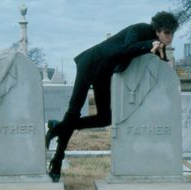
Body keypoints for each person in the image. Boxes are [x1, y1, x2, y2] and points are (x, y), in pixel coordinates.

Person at [45, 11, 179, 182]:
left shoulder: (157, 45)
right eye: (167, 33)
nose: (170, 38)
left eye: (172, 34)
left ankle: (57, 128)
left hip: (105, 74)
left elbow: (161, 63)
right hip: (92, 62)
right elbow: (127, 48)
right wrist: (149, 44)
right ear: (158, 30)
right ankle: (57, 162)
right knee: (74, 112)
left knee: (105, 118)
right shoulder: (139, 29)